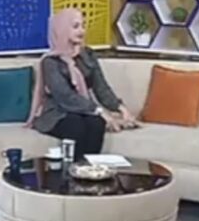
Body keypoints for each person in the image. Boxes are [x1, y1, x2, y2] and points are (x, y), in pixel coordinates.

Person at [26, 8, 137, 159]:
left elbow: (101, 87)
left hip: (85, 111)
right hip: (57, 113)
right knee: (76, 126)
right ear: (62, 29)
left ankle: (89, 169)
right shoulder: (50, 61)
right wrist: (99, 111)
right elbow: (65, 97)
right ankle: (71, 170)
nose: (82, 31)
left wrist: (121, 108)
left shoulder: (88, 55)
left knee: (96, 124)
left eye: (83, 26)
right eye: (75, 26)